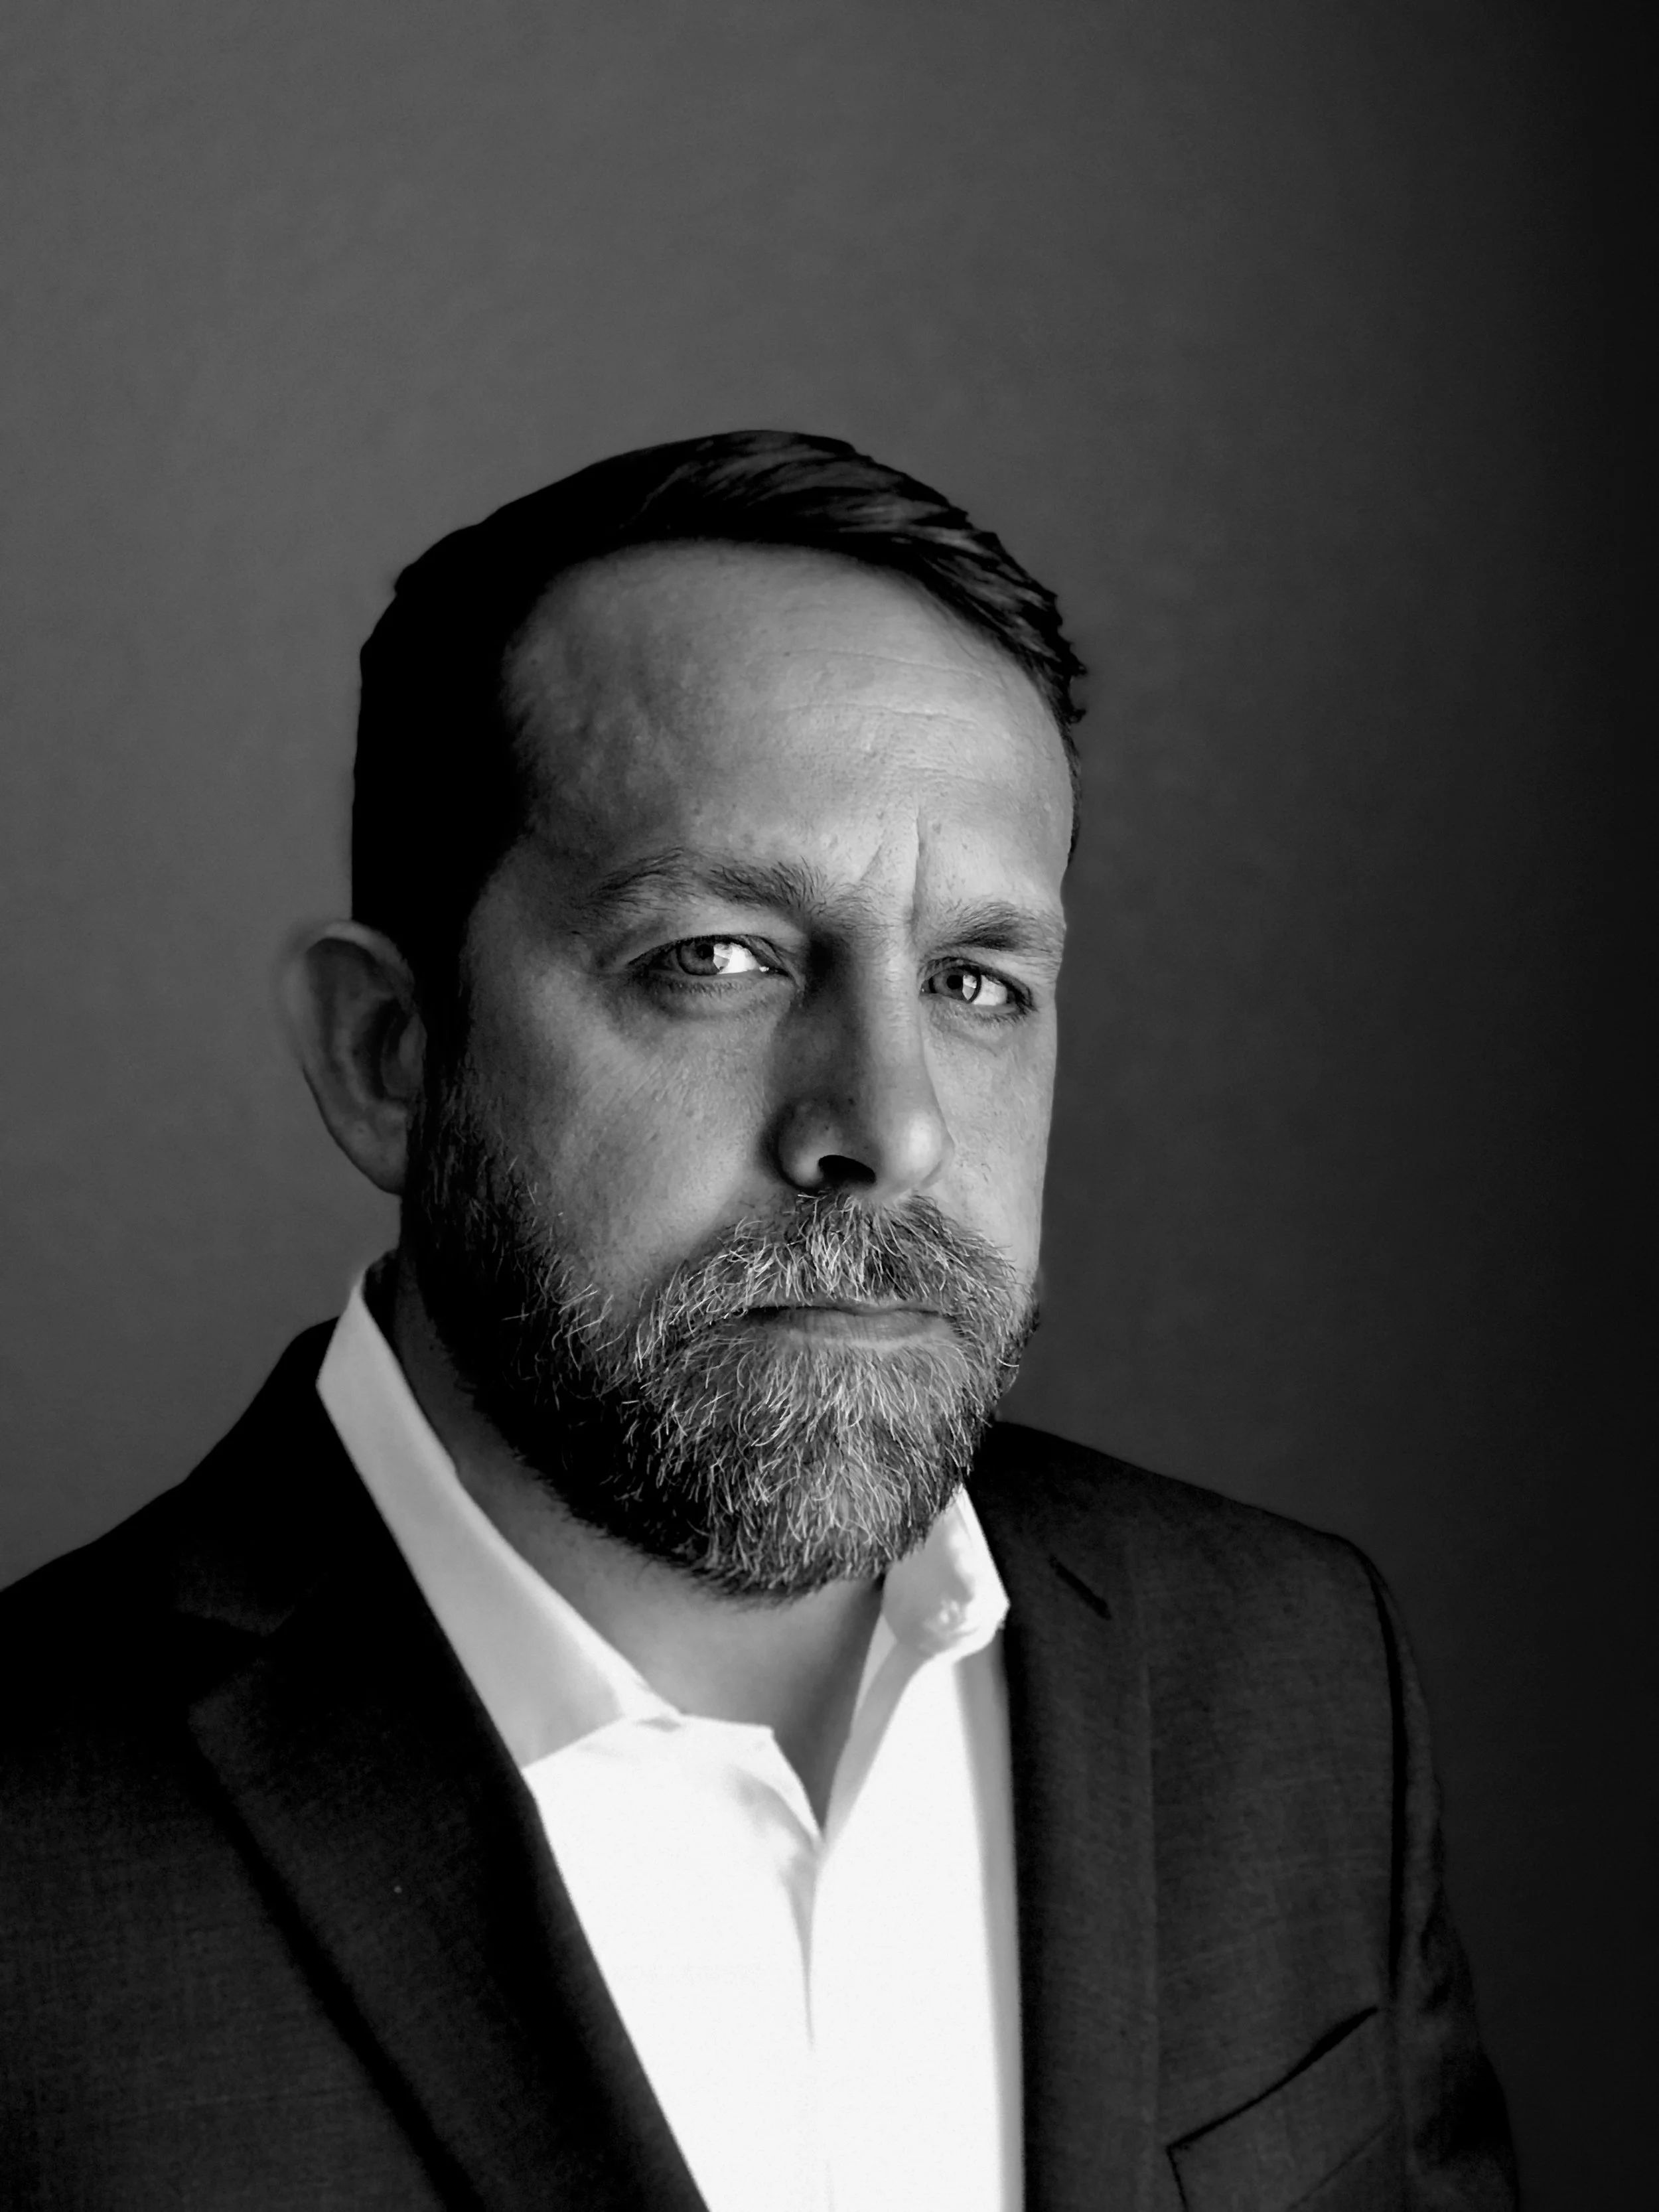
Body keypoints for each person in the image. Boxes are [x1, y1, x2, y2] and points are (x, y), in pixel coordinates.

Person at [0, 432, 1516, 2209]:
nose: (890, 1126)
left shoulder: (1286, 1676)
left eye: (973, 978)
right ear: (386, 1054)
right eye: (714, 957)